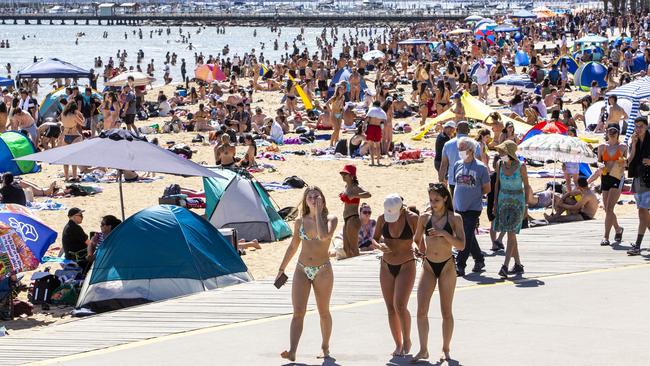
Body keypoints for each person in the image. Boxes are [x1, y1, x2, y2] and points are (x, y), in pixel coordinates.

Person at [277, 187, 337, 362]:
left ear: (323, 200)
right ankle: (293, 350)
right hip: (302, 269)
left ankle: (325, 347)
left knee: (323, 311)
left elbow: (324, 236)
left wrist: (317, 213)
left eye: (316, 196)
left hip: (323, 270)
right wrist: (282, 268)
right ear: (305, 201)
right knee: (298, 312)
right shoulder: (299, 221)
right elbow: (293, 246)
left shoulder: (330, 218)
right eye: (309, 196)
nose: (313, 198)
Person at [412, 183, 465, 363]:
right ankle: (423, 349)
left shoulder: (454, 219)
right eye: (430, 200)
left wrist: (443, 233)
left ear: (445, 199)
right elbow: (417, 239)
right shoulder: (424, 217)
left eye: (436, 200)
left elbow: (461, 245)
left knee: (446, 311)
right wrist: (417, 249)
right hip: (428, 265)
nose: (433, 203)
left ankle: (446, 349)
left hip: (447, 266)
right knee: (421, 310)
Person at [372, 194, 418, 357]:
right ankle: (398, 344)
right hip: (386, 265)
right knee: (390, 307)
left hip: (406, 264)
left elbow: (420, 241)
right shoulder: (382, 218)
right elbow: (374, 239)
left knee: (400, 305)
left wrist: (420, 251)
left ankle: (407, 339)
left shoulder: (412, 218)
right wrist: (379, 246)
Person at [452, 137, 490, 276]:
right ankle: (479, 259)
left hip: (473, 207)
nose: (460, 151)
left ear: (471, 150)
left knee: (466, 236)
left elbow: (487, 188)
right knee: (468, 235)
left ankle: (460, 264)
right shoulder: (457, 164)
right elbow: (453, 184)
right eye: (459, 149)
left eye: (463, 149)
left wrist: (475, 194)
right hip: (458, 206)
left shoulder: (480, 167)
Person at [493, 141, 530, 279]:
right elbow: (497, 184)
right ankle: (518, 264)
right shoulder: (500, 164)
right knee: (511, 234)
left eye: (502, 152)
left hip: (517, 202)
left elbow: (526, 186)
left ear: (509, 153)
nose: (500, 154)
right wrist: (495, 203)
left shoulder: (521, 167)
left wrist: (526, 205)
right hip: (503, 202)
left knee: (510, 234)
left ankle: (505, 265)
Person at [597, 124, 626, 246]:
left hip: (617, 177)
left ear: (618, 132)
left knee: (609, 208)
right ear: (607, 132)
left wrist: (623, 161)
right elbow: (598, 161)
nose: (612, 133)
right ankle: (618, 229)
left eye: (614, 131)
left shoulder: (623, 146)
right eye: (610, 131)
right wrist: (600, 165)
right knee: (606, 208)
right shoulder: (602, 147)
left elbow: (627, 161)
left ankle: (606, 236)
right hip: (605, 177)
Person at [627, 116, 650, 255]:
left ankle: (637, 245)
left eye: (641, 126)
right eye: (636, 126)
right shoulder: (634, 141)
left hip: (648, 180)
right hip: (638, 178)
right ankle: (637, 245)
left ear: (647, 126)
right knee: (643, 214)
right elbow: (629, 161)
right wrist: (634, 145)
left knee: (643, 211)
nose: (638, 129)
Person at [438, 121, 481, 196]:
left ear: (456, 130)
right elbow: (479, 163)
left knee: (456, 204)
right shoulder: (475, 144)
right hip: (470, 179)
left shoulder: (448, 144)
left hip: (453, 179)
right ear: (468, 131)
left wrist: (441, 180)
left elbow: (444, 164)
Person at [339, 164, 371, 258]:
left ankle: (358, 267)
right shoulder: (346, 187)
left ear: (352, 176)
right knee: (346, 249)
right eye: (343, 174)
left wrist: (356, 196)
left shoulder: (355, 187)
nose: (343, 176)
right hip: (347, 219)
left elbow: (368, 194)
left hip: (353, 218)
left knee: (353, 248)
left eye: (346, 174)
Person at [60, 101, 85, 182]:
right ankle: (74, 176)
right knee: (74, 157)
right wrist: (81, 115)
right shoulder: (74, 115)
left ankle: (66, 177)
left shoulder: (62, 114)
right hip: (75, 136)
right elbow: (83, 123)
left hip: (66, 136)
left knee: (65, 158)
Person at [366, 101, 386, 166]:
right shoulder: (382, 112)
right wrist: (382, 130)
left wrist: (363, 126)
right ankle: (378, 161)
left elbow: (367, 119)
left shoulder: (371, 110)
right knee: (378, 146)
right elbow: (383, 122)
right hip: (378, 128)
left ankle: (372, 162)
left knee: (371, 145)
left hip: (371, 127)